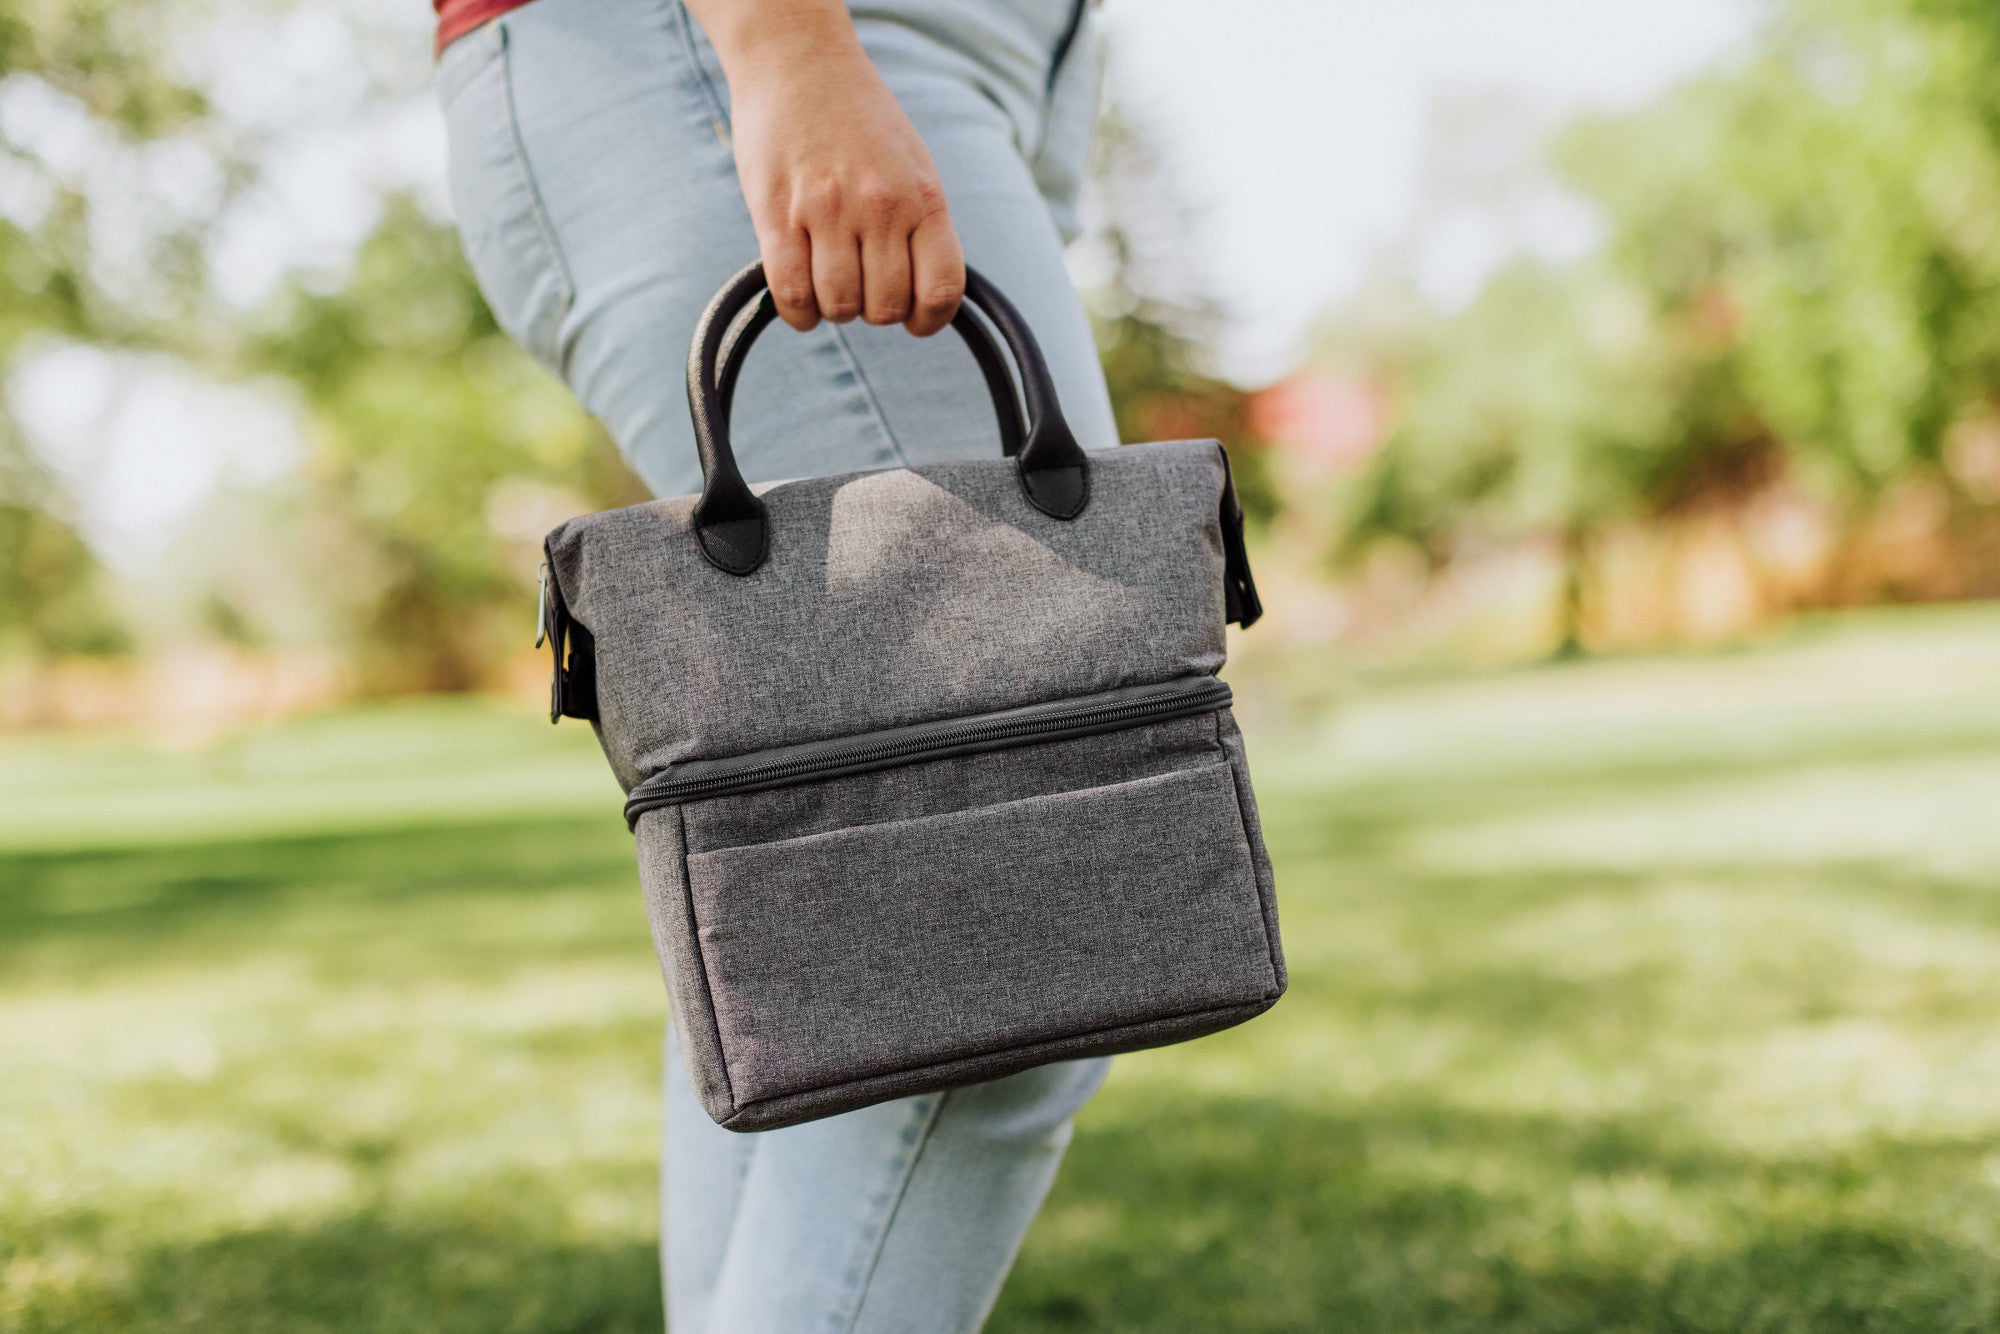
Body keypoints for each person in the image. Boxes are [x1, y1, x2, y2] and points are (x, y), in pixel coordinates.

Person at [435, 1, 1118, 1328]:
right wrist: (786, 48)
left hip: (967, 59)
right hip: (753, 35)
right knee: (1011, 921)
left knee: (821, 916)